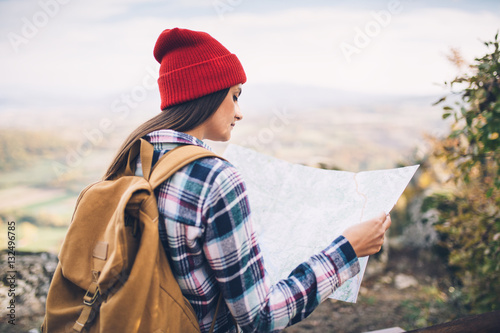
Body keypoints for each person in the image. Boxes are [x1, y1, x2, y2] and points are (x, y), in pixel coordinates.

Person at [104, 27, 391, 333]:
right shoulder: (214, 179)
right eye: (235, 96)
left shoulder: (133, 159)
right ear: (206, 92)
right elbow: (260, 317)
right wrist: (347, 249)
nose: (239, 113)